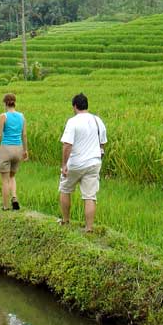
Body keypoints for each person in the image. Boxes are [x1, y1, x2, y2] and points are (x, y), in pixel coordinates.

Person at [59, 93, 106, 233]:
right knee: (90, 196)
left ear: (74, 106)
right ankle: (89, 228)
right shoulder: (98, 120)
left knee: (65, 189)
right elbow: (103, 143)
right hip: (94, 163)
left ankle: (65, 221)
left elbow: (67, 145)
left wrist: (64, 165)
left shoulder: (73, 121)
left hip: (76, 163)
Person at [0, 93, 28, 211]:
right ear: (15, 102)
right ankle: (14, 197)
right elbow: (24, 134)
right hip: (18, 148)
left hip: (6, 148)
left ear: (5, 103)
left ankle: (5, 206)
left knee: (4, 179)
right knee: (12, 176)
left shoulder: (3, 116)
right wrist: (25, 150)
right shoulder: (22, 116)